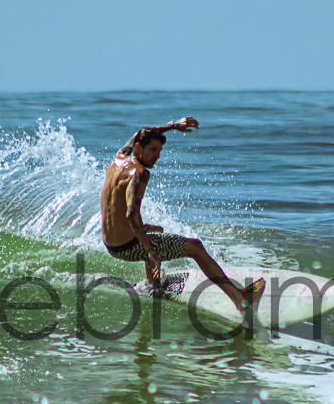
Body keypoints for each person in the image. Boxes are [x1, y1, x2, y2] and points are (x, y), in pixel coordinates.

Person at [100, 116, 264, 312]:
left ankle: (154, 285)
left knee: (156, 231)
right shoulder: (139, 173)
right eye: (153, 150)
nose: (157, 156)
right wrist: (151, 251)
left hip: (112, 244)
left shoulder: (118, 159)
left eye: (159, 151)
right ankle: (240, 299)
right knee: (196, 248)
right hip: (128, 247)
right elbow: (131, 214)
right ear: (138, 148)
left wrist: (172, 125)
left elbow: (138, 133)